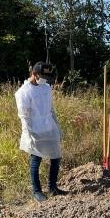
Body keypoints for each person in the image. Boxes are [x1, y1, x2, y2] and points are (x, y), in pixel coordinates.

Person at [14, 62, 67, 202]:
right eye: (42, 76)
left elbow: (51, 109)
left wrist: (57, 126)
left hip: (49, 127)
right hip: (34, 130)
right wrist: (28, 133)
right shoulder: (23, 92)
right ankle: (37, 191)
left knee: (56, 157)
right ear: (34, 74)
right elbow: (23, 116)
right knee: (36, 159)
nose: (45, 79)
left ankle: (52, 188)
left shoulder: (46, 88)